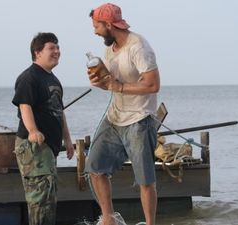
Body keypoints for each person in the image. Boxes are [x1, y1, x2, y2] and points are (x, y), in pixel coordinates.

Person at [85, 3, 160, 225]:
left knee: (145, 181)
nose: (94, 31)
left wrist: (118, 87)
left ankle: (150, 224)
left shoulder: (139, 47)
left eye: (97, 26)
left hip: (139, 119)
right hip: (114, 117)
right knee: (95, 167)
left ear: (108, 24)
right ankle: (109, 219)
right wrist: (101, 82)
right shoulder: (110, 48)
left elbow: (153, 84)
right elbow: (111, 82)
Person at [12, 32, 74, 225]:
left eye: (57, 47)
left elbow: (59, 111)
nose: (57, 51)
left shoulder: (53, 80)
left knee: (49, 198)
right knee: (39, 200)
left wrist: (68, 140)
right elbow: (24, 105)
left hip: (49, 148)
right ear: (37, 52)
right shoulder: (29, 77)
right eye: (51, 48)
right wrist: (32, 130)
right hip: (34, 148)